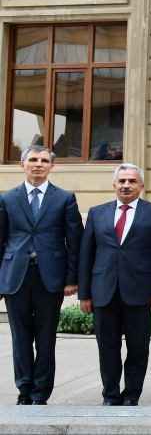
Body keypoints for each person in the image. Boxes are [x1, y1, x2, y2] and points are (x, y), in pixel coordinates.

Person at [78, 164, 151, 407]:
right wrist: (85, 294)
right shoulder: (97, 213)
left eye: (132, 181)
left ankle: (131, 395)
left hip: (139, 292)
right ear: (114, 185)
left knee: (138, 349)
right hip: (103, 291)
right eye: (122, 181)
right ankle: (110, 395)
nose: (126, 185)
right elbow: (86, 254)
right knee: (107, 348)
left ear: (141, 186)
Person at [0, 145, 83, 405]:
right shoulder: (6, 199)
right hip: (16, 277)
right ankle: (24, 390)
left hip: (51, 278)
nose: (39, 164)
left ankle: (40, 393)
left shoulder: (65, 198)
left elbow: (75, 242)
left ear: (51, 166)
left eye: (44, 160)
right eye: (33, 160)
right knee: (20, 338)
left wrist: (72, 279)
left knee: (46, 338)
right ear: (22, 164)